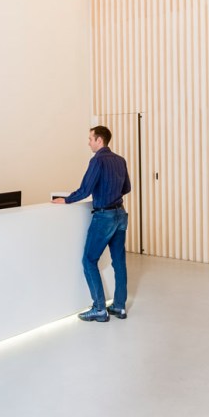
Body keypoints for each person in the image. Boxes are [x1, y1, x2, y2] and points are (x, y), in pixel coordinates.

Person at [52, 125, 131, 322]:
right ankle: (119, 307)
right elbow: (127, 188)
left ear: (99, 140)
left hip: (104, 216)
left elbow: (85, 189)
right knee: (119, 262)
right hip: (120, 214)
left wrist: (66, 200)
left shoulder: (97, 160)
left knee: (89, 260)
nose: (88, 142)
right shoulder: (120, 160)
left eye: (90, 139)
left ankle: (99, 309)